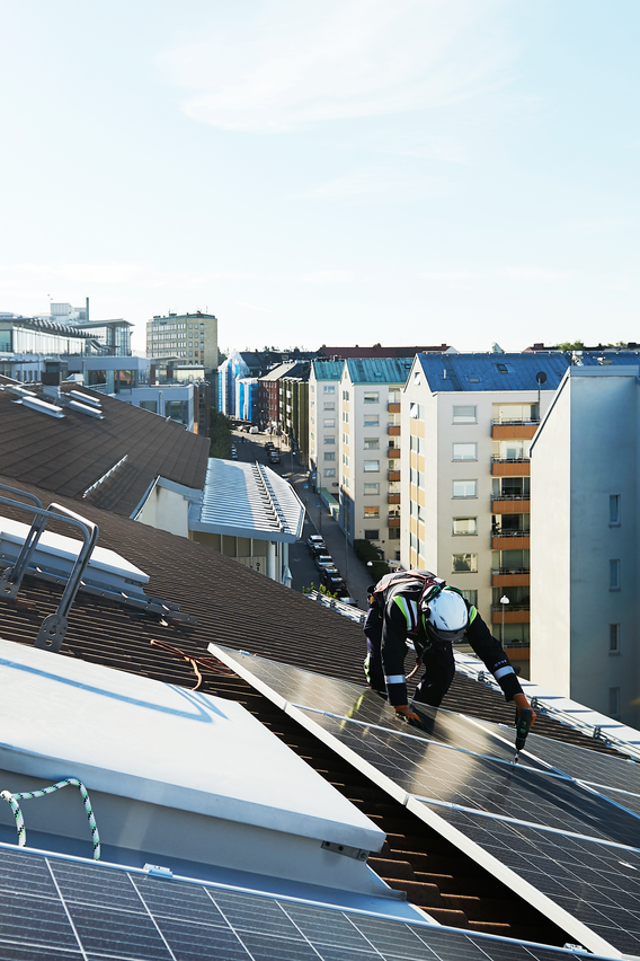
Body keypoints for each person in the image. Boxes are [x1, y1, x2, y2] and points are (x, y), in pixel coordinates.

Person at [364, 570, 535, 728]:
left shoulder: (465, 612)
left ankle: (421, 712)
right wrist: (400, 704)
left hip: (427, 622)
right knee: (379, 663)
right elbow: (392, 653)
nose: (444, 642)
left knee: (443, 671)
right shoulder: (400, 605)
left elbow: (492, 652)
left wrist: (518, 697)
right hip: (385, 606)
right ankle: (376, 694)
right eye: (441, 637)